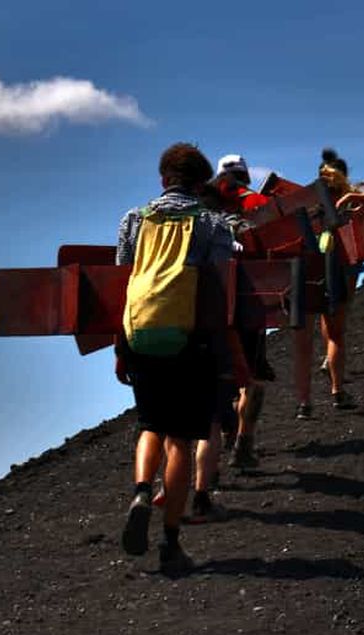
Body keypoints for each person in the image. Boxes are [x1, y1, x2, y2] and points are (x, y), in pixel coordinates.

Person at [115, 142, 234, 575]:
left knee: (151, 425)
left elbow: (122, 280)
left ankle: (141, 491)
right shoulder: (213, 223)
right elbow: (221, 286)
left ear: (163, 179)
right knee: (181, 440)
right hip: (189, 339)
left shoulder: (133, 219)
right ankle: (170, 542)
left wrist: (120, 347)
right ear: (201, 185)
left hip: (139, 332)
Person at [211, 154, 275, 468]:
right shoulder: (258, 203)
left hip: (207, 309)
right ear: (246, 175)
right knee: (253, 378)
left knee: (218, 376)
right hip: (250, 304)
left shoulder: (202, 209)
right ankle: (243, 444)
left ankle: (224, 435)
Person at [293, 148, 358, 419]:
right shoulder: (346, 204)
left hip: (304, 272)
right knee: (335, 334)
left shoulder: (303, 203)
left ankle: (304, 404)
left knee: (303, 344)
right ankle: (337, 392)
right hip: (335, 268)